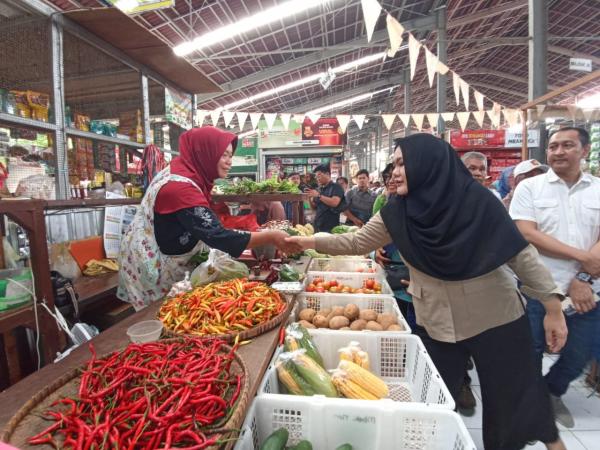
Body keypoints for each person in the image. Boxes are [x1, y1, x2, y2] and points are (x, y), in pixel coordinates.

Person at [287, 134, 568, 450]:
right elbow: (357, 242)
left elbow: (520, 253)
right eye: (394, 164)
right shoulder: (398, 211)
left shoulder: (477, 200)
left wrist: (552, 308)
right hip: (437, 321)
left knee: (518, 400)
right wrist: (308, 242)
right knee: (431, 399)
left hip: (495, 317)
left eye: (402, 163)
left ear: (429, 164)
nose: (394, 172)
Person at [117, 126, 297, 311]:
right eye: (224, 155)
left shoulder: (184, 172)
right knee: (160, 318)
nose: (230, 162)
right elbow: (218, 236)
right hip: (150, 266)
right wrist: (271, 236)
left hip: (163, 252)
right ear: (205, 152)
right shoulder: (180, 188)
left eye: (230, 155)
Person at [510, 127, 600, 428]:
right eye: (553, 146)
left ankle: (551, 391)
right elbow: (527, 233)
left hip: (587, 289)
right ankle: (529, 409)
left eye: (567, 145)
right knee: (531, 350)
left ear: (584, 150)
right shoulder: (531, 189)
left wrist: (584, 275)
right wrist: (584, 257)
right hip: (538, 286)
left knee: (581, 350)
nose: (558, 151)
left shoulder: (597, 189)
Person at [372, 163, 416, 329]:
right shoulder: (384, 203)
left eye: (396, 175)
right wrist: (374, 250)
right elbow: (370, 236)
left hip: (416, 283)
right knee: (397, 320)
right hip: (392, 273)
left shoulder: (418, 206)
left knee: (412, 326)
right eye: (388, 177)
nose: (392, 180)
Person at [304, 164, 345, 233]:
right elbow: (313, 208)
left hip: (331, 226)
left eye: (319, 175)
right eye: (316, 176)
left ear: (327, 174)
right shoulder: (319, 189)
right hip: (317, 224)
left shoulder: (336, 187)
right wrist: (309, 198)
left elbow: (334, 203)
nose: (317, 178)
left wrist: (318, 196)